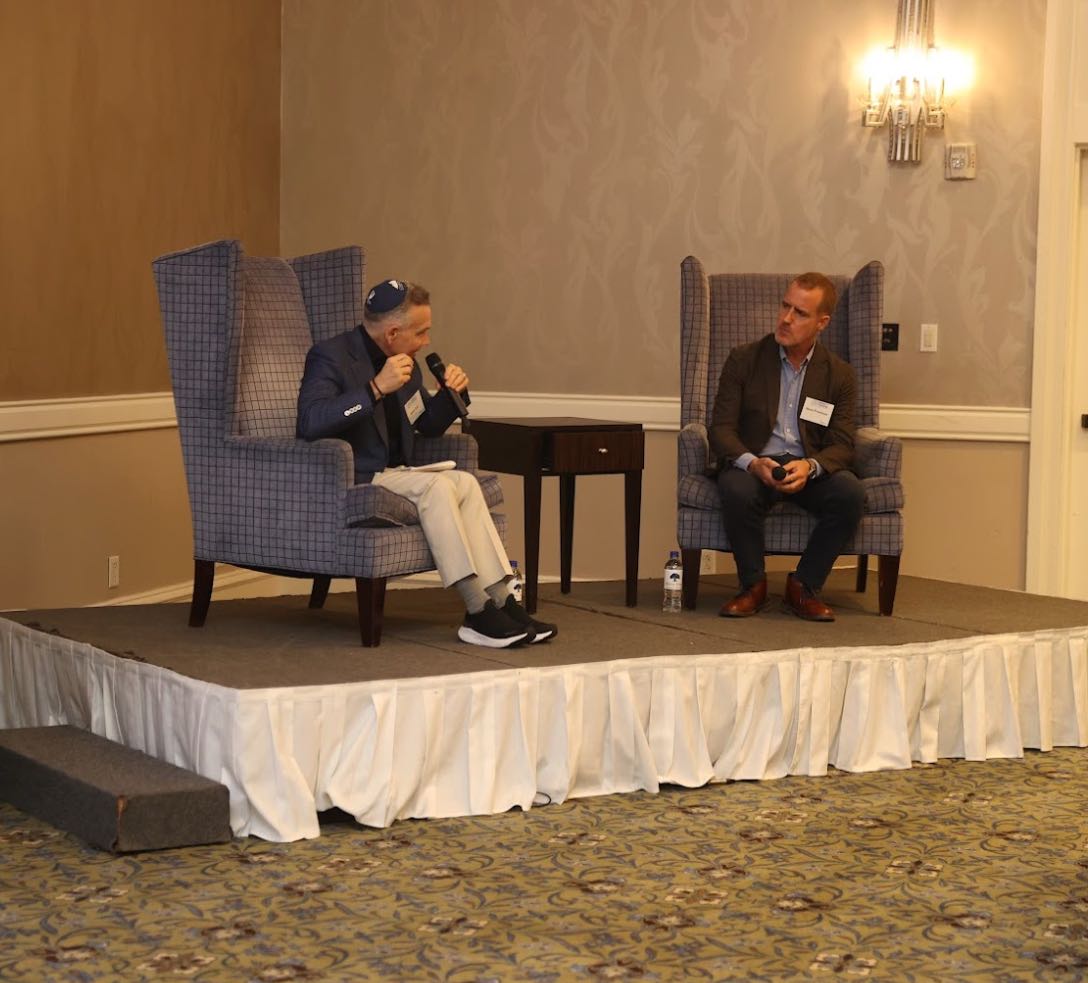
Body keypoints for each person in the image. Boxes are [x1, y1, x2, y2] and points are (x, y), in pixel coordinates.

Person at [296, 278, 556, 648]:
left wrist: (452, 395)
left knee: (464, 481)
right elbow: (310, 422)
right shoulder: (331, 356)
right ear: (393, 333)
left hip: (400, 473)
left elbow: (426, 425)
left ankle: (502, 601)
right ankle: (476, 610)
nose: (426, 341)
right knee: (439, 486)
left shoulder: (408, 365)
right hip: (357, 475)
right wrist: (374, 389)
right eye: (420, 332)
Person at [710, 272, 864, 622]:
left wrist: (810, 467)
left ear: (822, 322)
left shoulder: (840, 375)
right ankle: (753, 586)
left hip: (806, 466)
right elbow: (721, 430)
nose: (786, 318)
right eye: (785, 306)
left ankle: (803, 586)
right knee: (735, 487)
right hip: (757, 464)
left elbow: (842, 444)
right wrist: (752, 463)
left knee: (850, 493)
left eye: (800, 313)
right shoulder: (744, 360)